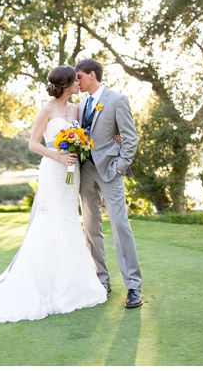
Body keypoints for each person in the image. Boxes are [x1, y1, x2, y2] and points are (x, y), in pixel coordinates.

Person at [0, 66, 107, 322]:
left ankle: (72, 284)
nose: (78, 84)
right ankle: (42, 285)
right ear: (67, 84)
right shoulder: (48, 109)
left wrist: (106, 139)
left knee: (70, 220)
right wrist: (58, 156)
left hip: (72, 173)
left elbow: (92, 131)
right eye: (75, 81)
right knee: (49, 221)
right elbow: (33, 144)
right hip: (53, 169)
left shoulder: (77, 109)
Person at [75, 58, 143, 308]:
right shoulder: (81, 105)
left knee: (120, 225)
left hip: (110, 172)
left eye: (79, 76)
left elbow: (130, 137)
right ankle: (101, 280)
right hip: (86, 172)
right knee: (91, 228)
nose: (77, 81)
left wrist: (120, 167)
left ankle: (134, 286)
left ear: (92, 75)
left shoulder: (117, 100)